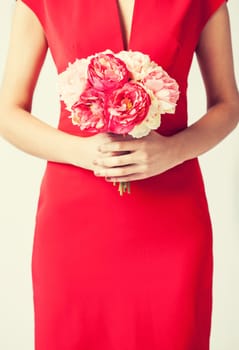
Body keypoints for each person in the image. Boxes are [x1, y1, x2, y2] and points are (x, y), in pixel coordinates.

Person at [0, 0, 238, 349]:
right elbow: (8, 111)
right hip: (74, 222)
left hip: (172, 219)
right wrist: (80, 152)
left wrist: (173, 150)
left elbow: (228, 104)